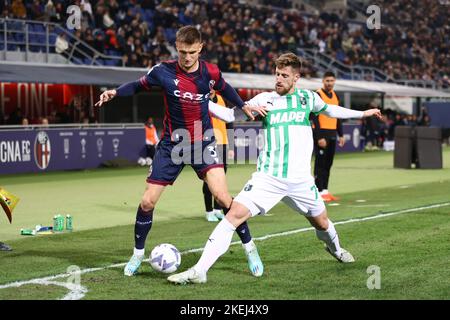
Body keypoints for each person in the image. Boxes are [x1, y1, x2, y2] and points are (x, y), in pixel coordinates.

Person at [167, 52, 382, 284]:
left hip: (301, 180)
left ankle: (337, 249)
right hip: (268, 178)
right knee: (233, 216)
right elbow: (230, 114)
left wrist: (362, 113)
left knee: (321, 222)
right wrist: (201, 100)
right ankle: (200, 270)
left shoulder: (307, 99)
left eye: (284, 75)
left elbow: (330, 110)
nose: (278, 79)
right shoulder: (263, 100)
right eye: (277, 74)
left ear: (296, 77)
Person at [95, 26, 266, 277]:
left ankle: (250, 248)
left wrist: (243, 104)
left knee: (223, 197)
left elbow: (225, 87)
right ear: (177, 47)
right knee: (147, 201)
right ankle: (137, 254)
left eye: (192, 52)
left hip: (203, 142)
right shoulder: (162, 71)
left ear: (201, 49)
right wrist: (115, 92)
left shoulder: (210, 72)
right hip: (172, 144)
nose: (187, 57)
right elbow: (138, 85)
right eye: (183, 52)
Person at [311, 71, 344, 202]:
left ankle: (325, 190)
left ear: (335, 81)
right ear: (323, 81)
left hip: (332, 133)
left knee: (328, 163)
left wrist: (341, 134)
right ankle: (318, 191)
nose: (329, 83)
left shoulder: (336, 96)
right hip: (322, 133)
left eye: (331, 81)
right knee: (320, 163)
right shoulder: (318, 94)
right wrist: (319, 137)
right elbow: (314, 117)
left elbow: (338, 115)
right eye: (327, 81)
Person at [202, 90, 232, 222]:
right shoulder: (201, 99)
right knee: (208, 179)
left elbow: (229, 122)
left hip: (223, 143)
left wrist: (230, 144)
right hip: (208, 143)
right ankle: (208, 211)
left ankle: (217, 209)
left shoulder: (221, 99)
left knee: (221, 178)